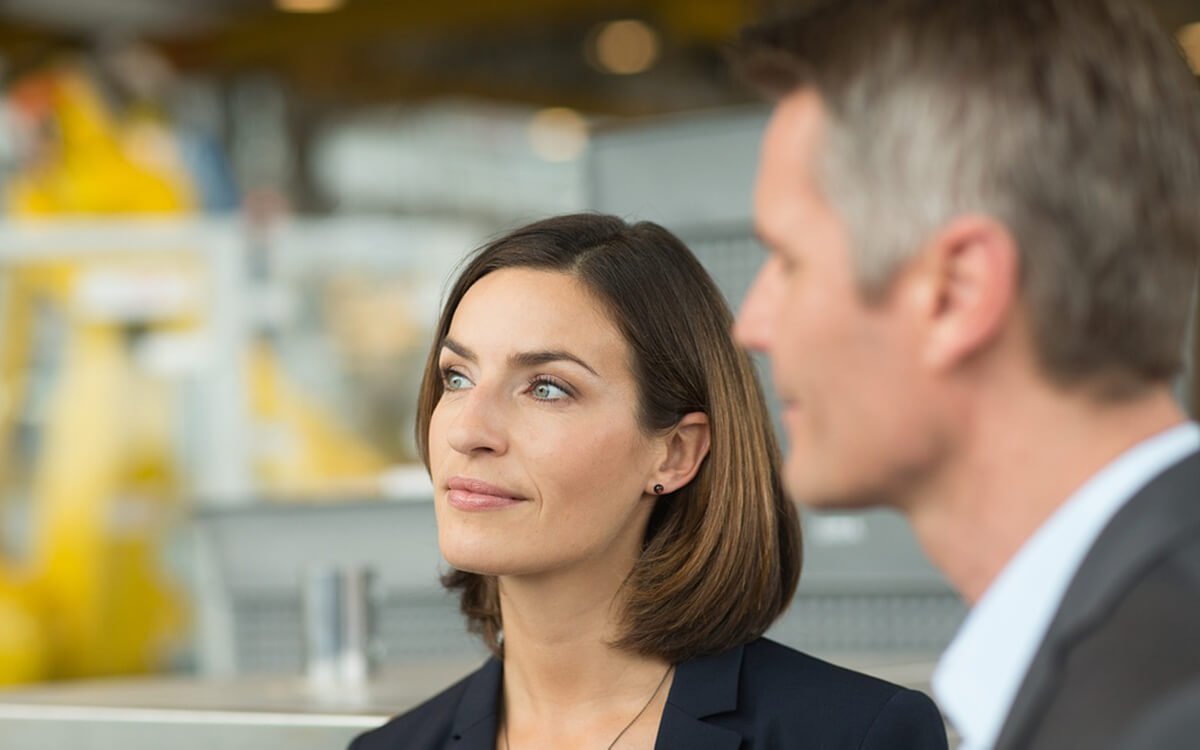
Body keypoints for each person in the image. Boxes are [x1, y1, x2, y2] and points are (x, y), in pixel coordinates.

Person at [730, 2, 1200, 750]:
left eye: (789, 262)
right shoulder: (1127, 657)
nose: (750, 325)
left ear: (957, 293)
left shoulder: (1161, 710)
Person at [349, 213, 948, 749]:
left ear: (675, 454)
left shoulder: (853, 737)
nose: (468, 430)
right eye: (457, 378)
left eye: (547, 388)